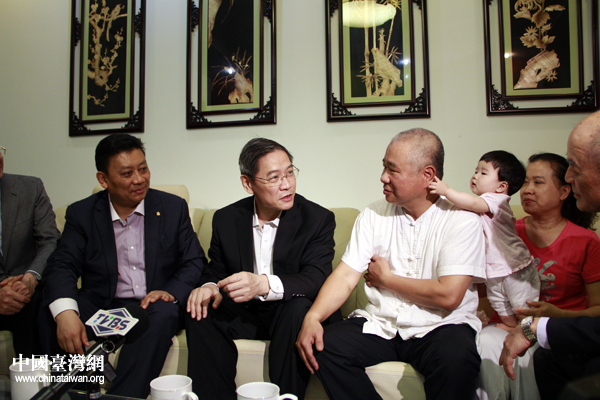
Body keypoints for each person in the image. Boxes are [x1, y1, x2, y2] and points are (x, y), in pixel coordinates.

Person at [296, 128, 486, 400]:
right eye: (384, 167)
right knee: (323, 346)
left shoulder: (462, 220)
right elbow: (346, 275)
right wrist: (313, 317)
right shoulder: (374, 213)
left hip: (441, 327)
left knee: (457, 359)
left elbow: (449, 296)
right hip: (382, 324)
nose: (383, 177)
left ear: (427, 175)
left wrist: (387, 280)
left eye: (392, 170)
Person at [39, 134, 206, 399]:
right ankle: (75, 392)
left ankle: (121, 396)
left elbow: (194, 261)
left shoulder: (172, 207)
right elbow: (62, 264)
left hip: (152, 305)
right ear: (103, 179)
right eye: (127, 173)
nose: (139, 179)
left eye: (143, 169)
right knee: (51, 310)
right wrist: (65, 313)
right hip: (102, 304)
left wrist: (170, 292)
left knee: (164, 313)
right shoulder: (82, 213)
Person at [185, 138, 336, 400]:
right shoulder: (226, 218)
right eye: (274, 177)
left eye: (290, 173)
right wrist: (209, 287)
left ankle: (286, 397)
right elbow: (216, 270)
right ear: (248, 183)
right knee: (200, 310)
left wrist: (263, 284)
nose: (287, 184)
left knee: (298, 307)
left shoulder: (317, 219)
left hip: (290, 314)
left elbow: (316, 277)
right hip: (247, 312)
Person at [477, 153, 600, 400]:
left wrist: (556, 314)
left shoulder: (586, 241)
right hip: (505, 325)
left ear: (564, 192)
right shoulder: (506, 231)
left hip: (554, 332)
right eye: (525, 183)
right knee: (487, 341)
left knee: (531, 353)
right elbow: (485, 285)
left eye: (538, 182)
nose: (528, 190)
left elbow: (598, 310)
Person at [429, 150, 540, 329]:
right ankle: (513, 328)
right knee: (499, 304)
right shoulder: (483, 204)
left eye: (483, 173)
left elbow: (472, 203)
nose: (475, 176)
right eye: (475, 171)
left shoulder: (498, 201)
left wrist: (446, 191)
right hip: (494, 270)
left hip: (514, 267)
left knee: (523, 305)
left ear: (501, 186)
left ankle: (529, 331)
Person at [0, 145, 60, 358]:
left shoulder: (30, 188)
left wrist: (31, 277)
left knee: (39, 306)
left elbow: (50, 240)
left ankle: (34, 378)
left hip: (26, 291)